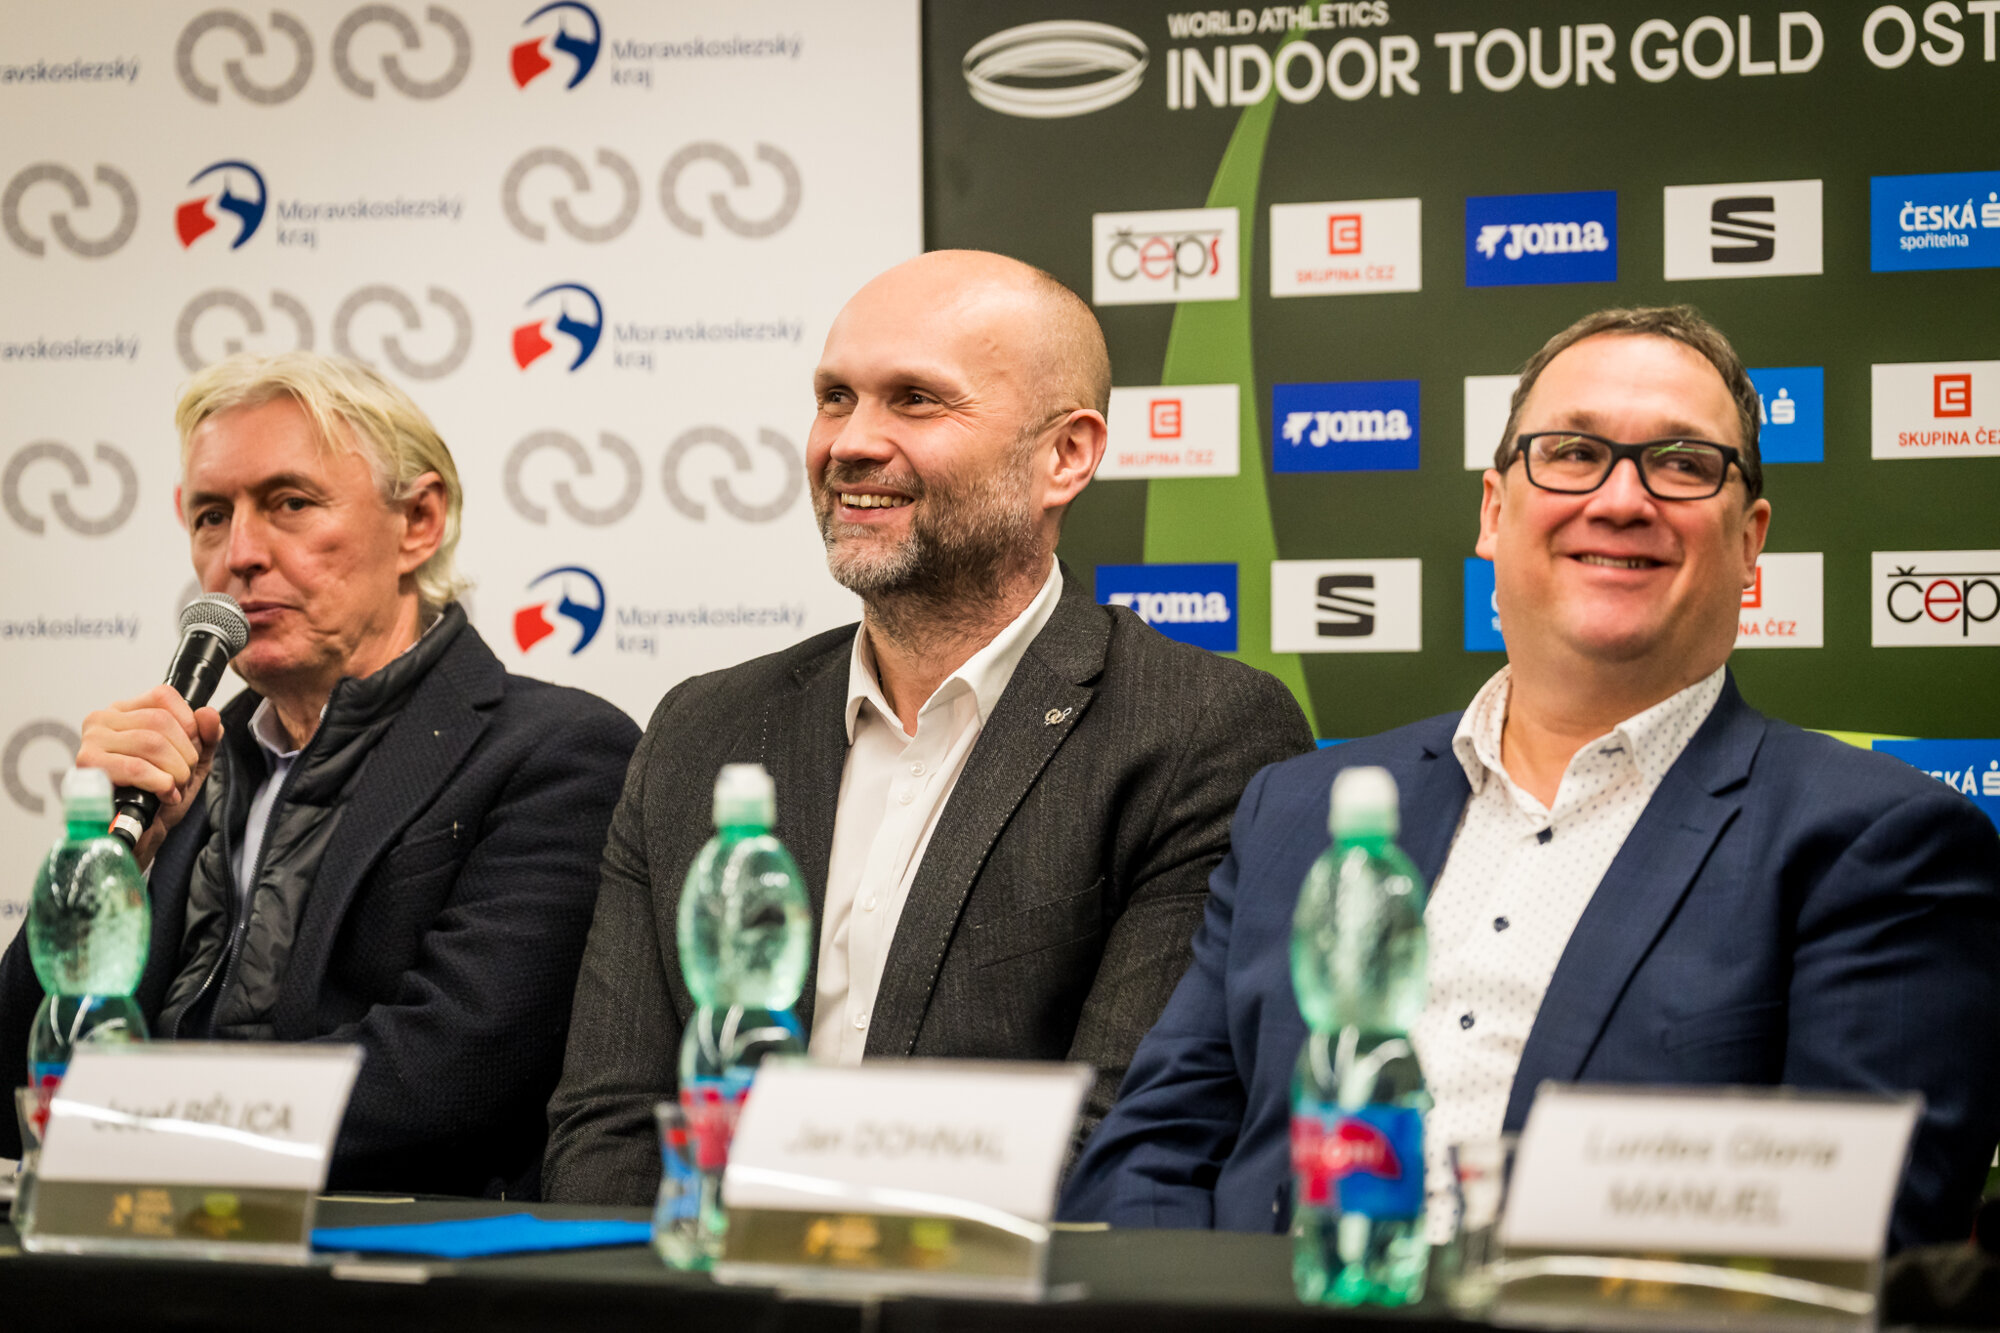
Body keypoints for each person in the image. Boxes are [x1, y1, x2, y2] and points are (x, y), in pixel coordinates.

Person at [1061, 306, 2000, 1250]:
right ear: (1494, 512)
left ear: (1751, 540)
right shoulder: (1298, 809)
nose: (1622, 499)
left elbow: (1857, 1239)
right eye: (1573, 453)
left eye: (1682, 463)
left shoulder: (1878, 844)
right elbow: (1149, 1155)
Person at [542, 250, 1315, 1203]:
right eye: (835, 398)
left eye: (915, 400)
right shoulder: (702, 730)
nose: (849, 443)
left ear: (1065, 456)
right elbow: (611, 1122)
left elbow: (1118, 1135)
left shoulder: (1198, 731)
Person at [0, 352, 640, 1198]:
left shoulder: (559, 751)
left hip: (387, 1257)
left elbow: (447, 1075)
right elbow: (15, 1080)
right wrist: (105, 859)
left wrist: (127, 1126)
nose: (240, 554)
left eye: (290, 504)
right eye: (211, 516)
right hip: (138, 1236)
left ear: (419, 522)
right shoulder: (180, 766)